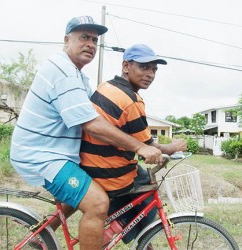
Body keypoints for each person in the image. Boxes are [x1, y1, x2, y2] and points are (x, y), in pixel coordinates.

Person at [10, 17, 162, 250]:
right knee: (97, 203)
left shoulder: (79, 77)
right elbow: (91, 123)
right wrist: (139, 146)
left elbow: (100, 117)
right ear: (66, 40)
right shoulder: (62, 71)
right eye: (84, 37)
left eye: (94, 39)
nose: (90, 44)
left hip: (59, 154)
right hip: (43, 157)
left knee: (94, 186)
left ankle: (42, 235)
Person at [80, 43, 187, 245]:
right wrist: (173, 147)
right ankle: (116, 229)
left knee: (141, 186)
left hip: (90, 163)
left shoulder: (107, 86)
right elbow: (148, 145)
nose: (150, 74)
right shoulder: (131, 101)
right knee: (149, 204)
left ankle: (133, 234)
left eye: (154, 69)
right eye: (144, 67)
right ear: (126, 66)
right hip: (109, 172)